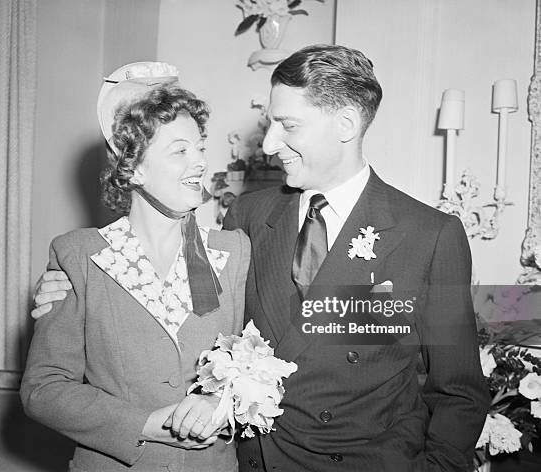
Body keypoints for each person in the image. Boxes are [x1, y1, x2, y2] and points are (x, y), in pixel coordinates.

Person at [32, 45, 490, 472]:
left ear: (346, 125)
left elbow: (460, 392)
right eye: (271, 123)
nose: (269, 145)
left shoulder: (429, 236)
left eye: (288, 126)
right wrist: (72, 286)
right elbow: (213, 324)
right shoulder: (250, 215)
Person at [21, 62, 250, 472]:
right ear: (135, 168)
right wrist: (144, 424)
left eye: (200, 147)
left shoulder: (233, 250)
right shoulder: (79, 256)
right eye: (180, 150)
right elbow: (44, 389)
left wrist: (222, 400)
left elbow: (256, 359)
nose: (199, 162)